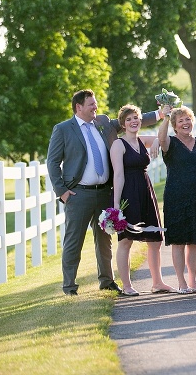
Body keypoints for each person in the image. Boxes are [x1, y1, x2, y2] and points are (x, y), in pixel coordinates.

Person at [46, 89, 160, 296]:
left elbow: (132, 120)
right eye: (91, 104)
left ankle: (107, 281)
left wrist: (161, 114)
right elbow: (53, 162)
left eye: (95, 104)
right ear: (78, 107)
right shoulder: (63, 129)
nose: (95, 107)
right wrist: (62, 191)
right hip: (78, 194)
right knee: (74, 240)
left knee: (104, 240)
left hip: (103, 192)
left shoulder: (103, 123)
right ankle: (69, 286)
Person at [109, 104, 173, 295]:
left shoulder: (142, 140)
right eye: (128, 119)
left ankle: (157, 282)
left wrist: (155, 142)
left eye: (135, 118)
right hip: (128, 193)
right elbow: (118, 175)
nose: (133, 121)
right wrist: (115, 208)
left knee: (155, 239)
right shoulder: (118, 145)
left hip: (146, 191)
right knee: (126, 240)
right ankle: (127, 286)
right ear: (123, 124)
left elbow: (163, 139)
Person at [158, 104, 196, 294]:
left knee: (195, 241)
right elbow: (161, 139)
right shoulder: (170, 143)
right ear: (175, 125)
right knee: (179, 241)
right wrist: (165, 116)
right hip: (176, 197)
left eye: (188, 119)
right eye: (181, 121)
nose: (185, 123)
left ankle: (193, 281)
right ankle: (181, 283)